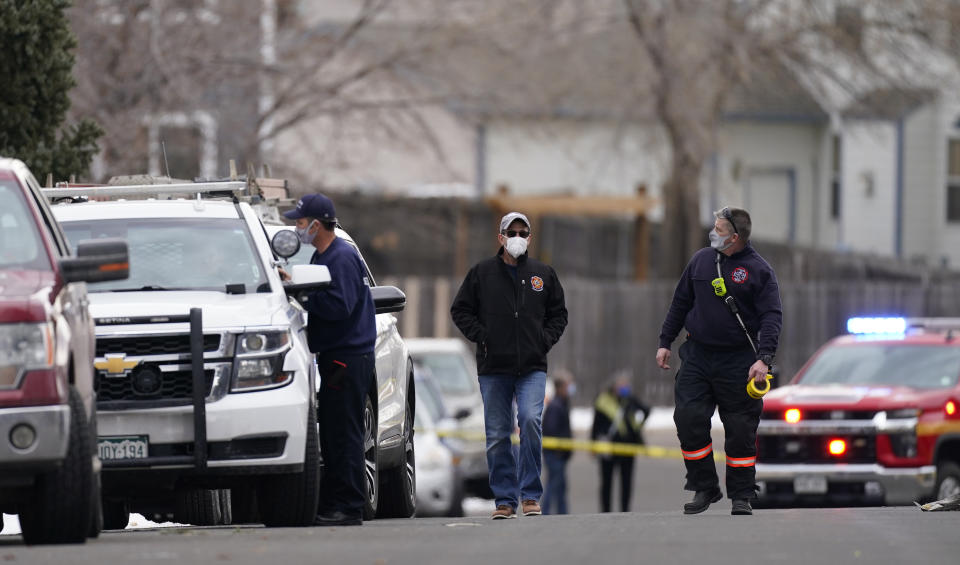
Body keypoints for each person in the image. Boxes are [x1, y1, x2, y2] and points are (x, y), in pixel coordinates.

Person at [656, 206, 782, 517]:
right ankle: (704, 486)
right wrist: (665, 342)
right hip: (698, 354)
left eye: (720, 229)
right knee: (688, 418)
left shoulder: (759, 270)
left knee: (740, 429)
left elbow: (771, 316)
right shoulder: (701, 261)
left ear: (736, 237)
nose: (713, 233)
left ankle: (741, 494)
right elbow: (681, 302)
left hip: (739, 360)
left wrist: (764, 359)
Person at [451, 211, 568, 520]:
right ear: (500, 237)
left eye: (523, 232)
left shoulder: (543, 274)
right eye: (511, 231)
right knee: (499, 434)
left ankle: (530, 495)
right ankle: (505, 498)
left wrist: (544, 340)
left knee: (530, 421)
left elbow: (559, 314)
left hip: (532, 366)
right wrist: (482, 336)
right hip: (494, 368)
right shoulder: (481, 273)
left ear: (529, 237)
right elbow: (460, 310)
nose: (517, 237)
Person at [283, 193, 377, 527]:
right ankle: (337, 501)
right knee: (335, 433)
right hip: (339, 355)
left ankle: (349, 506)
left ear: (316, 224)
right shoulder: (326, 257)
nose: (297, 228)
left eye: (300, 222)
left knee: (344, 433)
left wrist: (303, 295)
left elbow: (340, 306)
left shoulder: (340, 257)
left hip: (346, 357)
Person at [590, 374, 649, 513]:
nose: (625, 388)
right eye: (622, 385)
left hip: (628, 447)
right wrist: (593, 445)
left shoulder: (630, 399)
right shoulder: (603, 401)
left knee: (627, 482)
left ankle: (625, 510)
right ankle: (605, 511)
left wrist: (638, 426)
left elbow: (646, 410)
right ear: (614, 387)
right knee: (606, 482)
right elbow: (595, 425)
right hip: (607, 448)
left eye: (626, 385)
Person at [541, 371, 575, 515]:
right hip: (555, 455)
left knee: (559, 487)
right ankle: (547, 513)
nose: (571, 388)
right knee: (553, 486)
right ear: (560, 387)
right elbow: (551, 430)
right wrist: (561, 448)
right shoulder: (556, 406)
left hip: (559, 455)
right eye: (568, 385)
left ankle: (562, 513)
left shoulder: (561, 404)